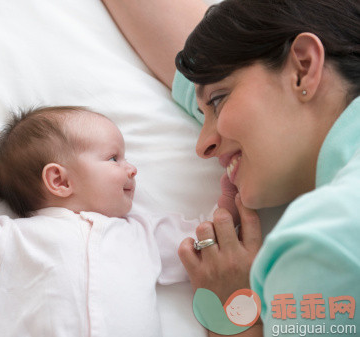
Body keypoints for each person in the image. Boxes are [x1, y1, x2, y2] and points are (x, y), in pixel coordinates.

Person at [102, 0, 360, 336]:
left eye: (218, 100)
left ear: (303, 66)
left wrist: (233, 311)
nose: (203, 146)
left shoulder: (321, 243)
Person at [0, 106, 219, 337]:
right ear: (59, 180)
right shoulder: (15, 239)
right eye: (113, 158)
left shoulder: (143, 233)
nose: (131, 168)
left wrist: (232, 196)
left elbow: (209, 240)